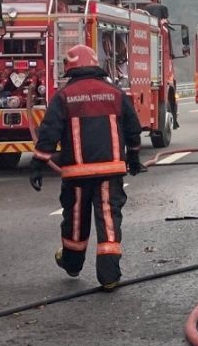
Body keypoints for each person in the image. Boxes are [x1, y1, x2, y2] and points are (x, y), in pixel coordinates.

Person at [30, 43, 144, 288]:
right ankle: (109, 276)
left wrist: (38, 163)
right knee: (109, 220)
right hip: (110, 171)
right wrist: (134, 158)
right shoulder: (114, 93)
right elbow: (133, 128)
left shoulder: (64, 96)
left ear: (69, 67)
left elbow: (50, 132)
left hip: (76, 174)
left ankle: (72, 263)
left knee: (75, 218)